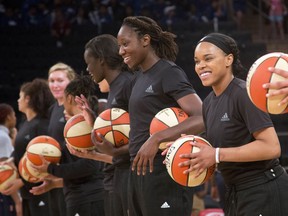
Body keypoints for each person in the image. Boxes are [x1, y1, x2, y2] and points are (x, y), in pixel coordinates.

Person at [180, 32, 288, 215]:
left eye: (208, 58)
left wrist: (216, 154)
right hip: (232, 190)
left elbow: (272, 147)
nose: (201, 66)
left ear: (228, 59)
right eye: (197, 61)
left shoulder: (243, 94)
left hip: (262, 188)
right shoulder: (208, 103)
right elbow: (217, 144)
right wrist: (185, 145)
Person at [117, 16, 204, 216]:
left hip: (163, 170)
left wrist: (157, 138)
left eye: (125, 44)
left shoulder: (168, 72)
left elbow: (201, 117)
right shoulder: (138, 78)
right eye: (119, 46)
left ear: (145, 40)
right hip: (138, 171)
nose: (121, 51)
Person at [71, 34, 136, 216]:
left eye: (88, 62)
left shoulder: (127, 83)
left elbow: (144, 132)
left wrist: (116, 152)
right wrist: (94, 121)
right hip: (121, 171)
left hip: (132, 173)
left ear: (101, 60)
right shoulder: (117, 86)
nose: (87, 68)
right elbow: (118, 133)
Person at [30, 75, 106, 216]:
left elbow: (91, 165)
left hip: (88, 198)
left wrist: (51, 169)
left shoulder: (84, 127)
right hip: (81, 196)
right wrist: (54, 182)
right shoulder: (76, 126)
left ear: (69, 99)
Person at [2, 78, 54, 216]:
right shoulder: (25, 123)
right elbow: (21, 150)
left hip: (41, 190)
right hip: (27, 191)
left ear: (27, 99)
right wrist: (11, 160)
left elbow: (46, 160)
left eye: (20, 97)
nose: (17, 100)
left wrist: (21, 181)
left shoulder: (42, 125)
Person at [46, 62, 77, 216]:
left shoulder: (75, 106)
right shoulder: (53, 109)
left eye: (60, 80)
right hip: (59, 179)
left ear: (70, 82)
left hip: (76, 178)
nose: (55, 85)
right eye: (52, 81)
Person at [0, 103, 21, 216]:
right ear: (8, 117)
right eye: (14, 115)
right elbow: (6, 169)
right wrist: (18, 201)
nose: (15, 117)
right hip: (5, 192)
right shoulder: (3, 137)